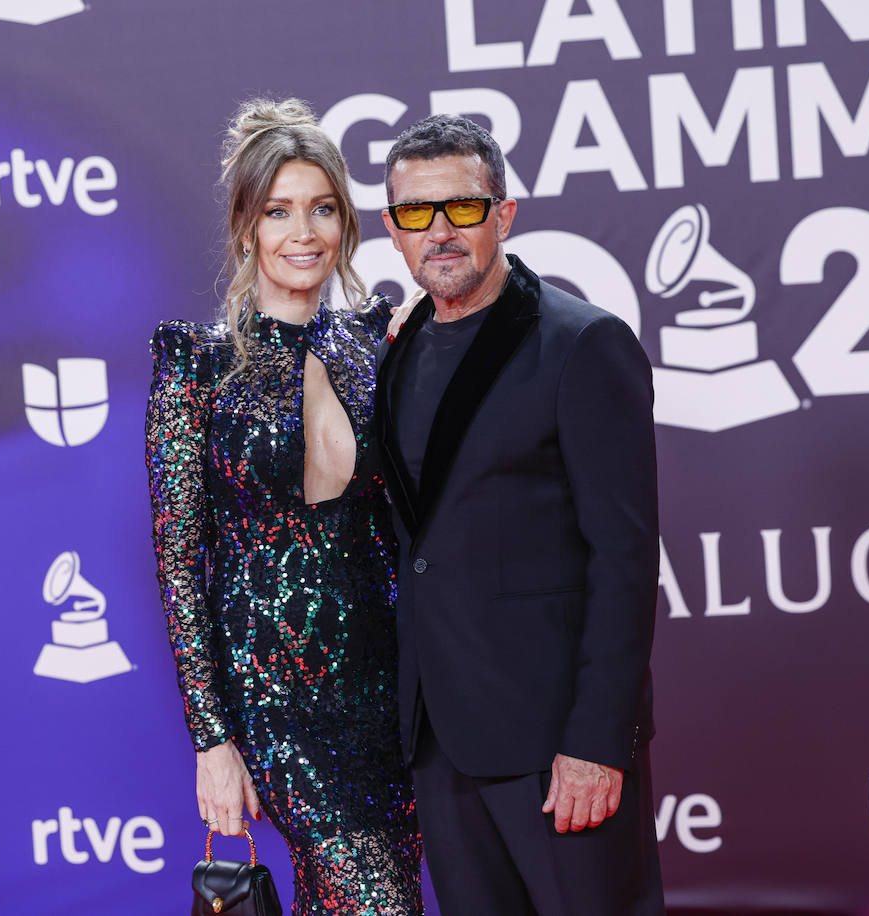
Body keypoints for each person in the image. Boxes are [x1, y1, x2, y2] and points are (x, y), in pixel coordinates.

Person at [375, 114, 665, 913]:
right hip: (440, 741)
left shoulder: (582, 344)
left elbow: (626, 559)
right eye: (414, 214)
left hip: (554, 746)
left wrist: (598, 743)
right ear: (392, 230)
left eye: (462, 208)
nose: (439, 232)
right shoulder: (397, 351)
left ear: (504, 214)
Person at [145, 98, 422, 914]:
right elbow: (177, 557)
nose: (303, 232)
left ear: (346, 222)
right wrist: (211, 740)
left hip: (393, 690)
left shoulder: (381, 343)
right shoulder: (195, 365)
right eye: (278, 211)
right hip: (279, 704)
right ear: (245, 227)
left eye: (322, 208)